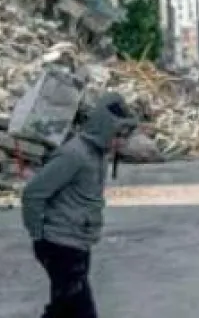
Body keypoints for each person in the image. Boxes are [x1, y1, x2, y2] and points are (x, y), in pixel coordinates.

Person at [21, 93, 137, 318]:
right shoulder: (74, 155)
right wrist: (39, 235)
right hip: (60, 244)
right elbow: (34, 193)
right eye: (119, 135)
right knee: (78, 310)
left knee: (64, 308)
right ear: (104, 128)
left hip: (78, 242)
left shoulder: (98, 154)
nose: (121, 142)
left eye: (125, 136)